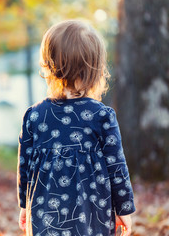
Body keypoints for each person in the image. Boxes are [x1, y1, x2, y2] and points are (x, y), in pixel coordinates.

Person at [16, 19, 136, 236]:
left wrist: (24, 203)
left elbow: (25, 166)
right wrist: (123, 208)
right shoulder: (101, 116)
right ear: (94, 68)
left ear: (49, 65)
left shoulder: (34, 115)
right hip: (92, 214)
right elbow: (116, 166)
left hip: (45, 214)